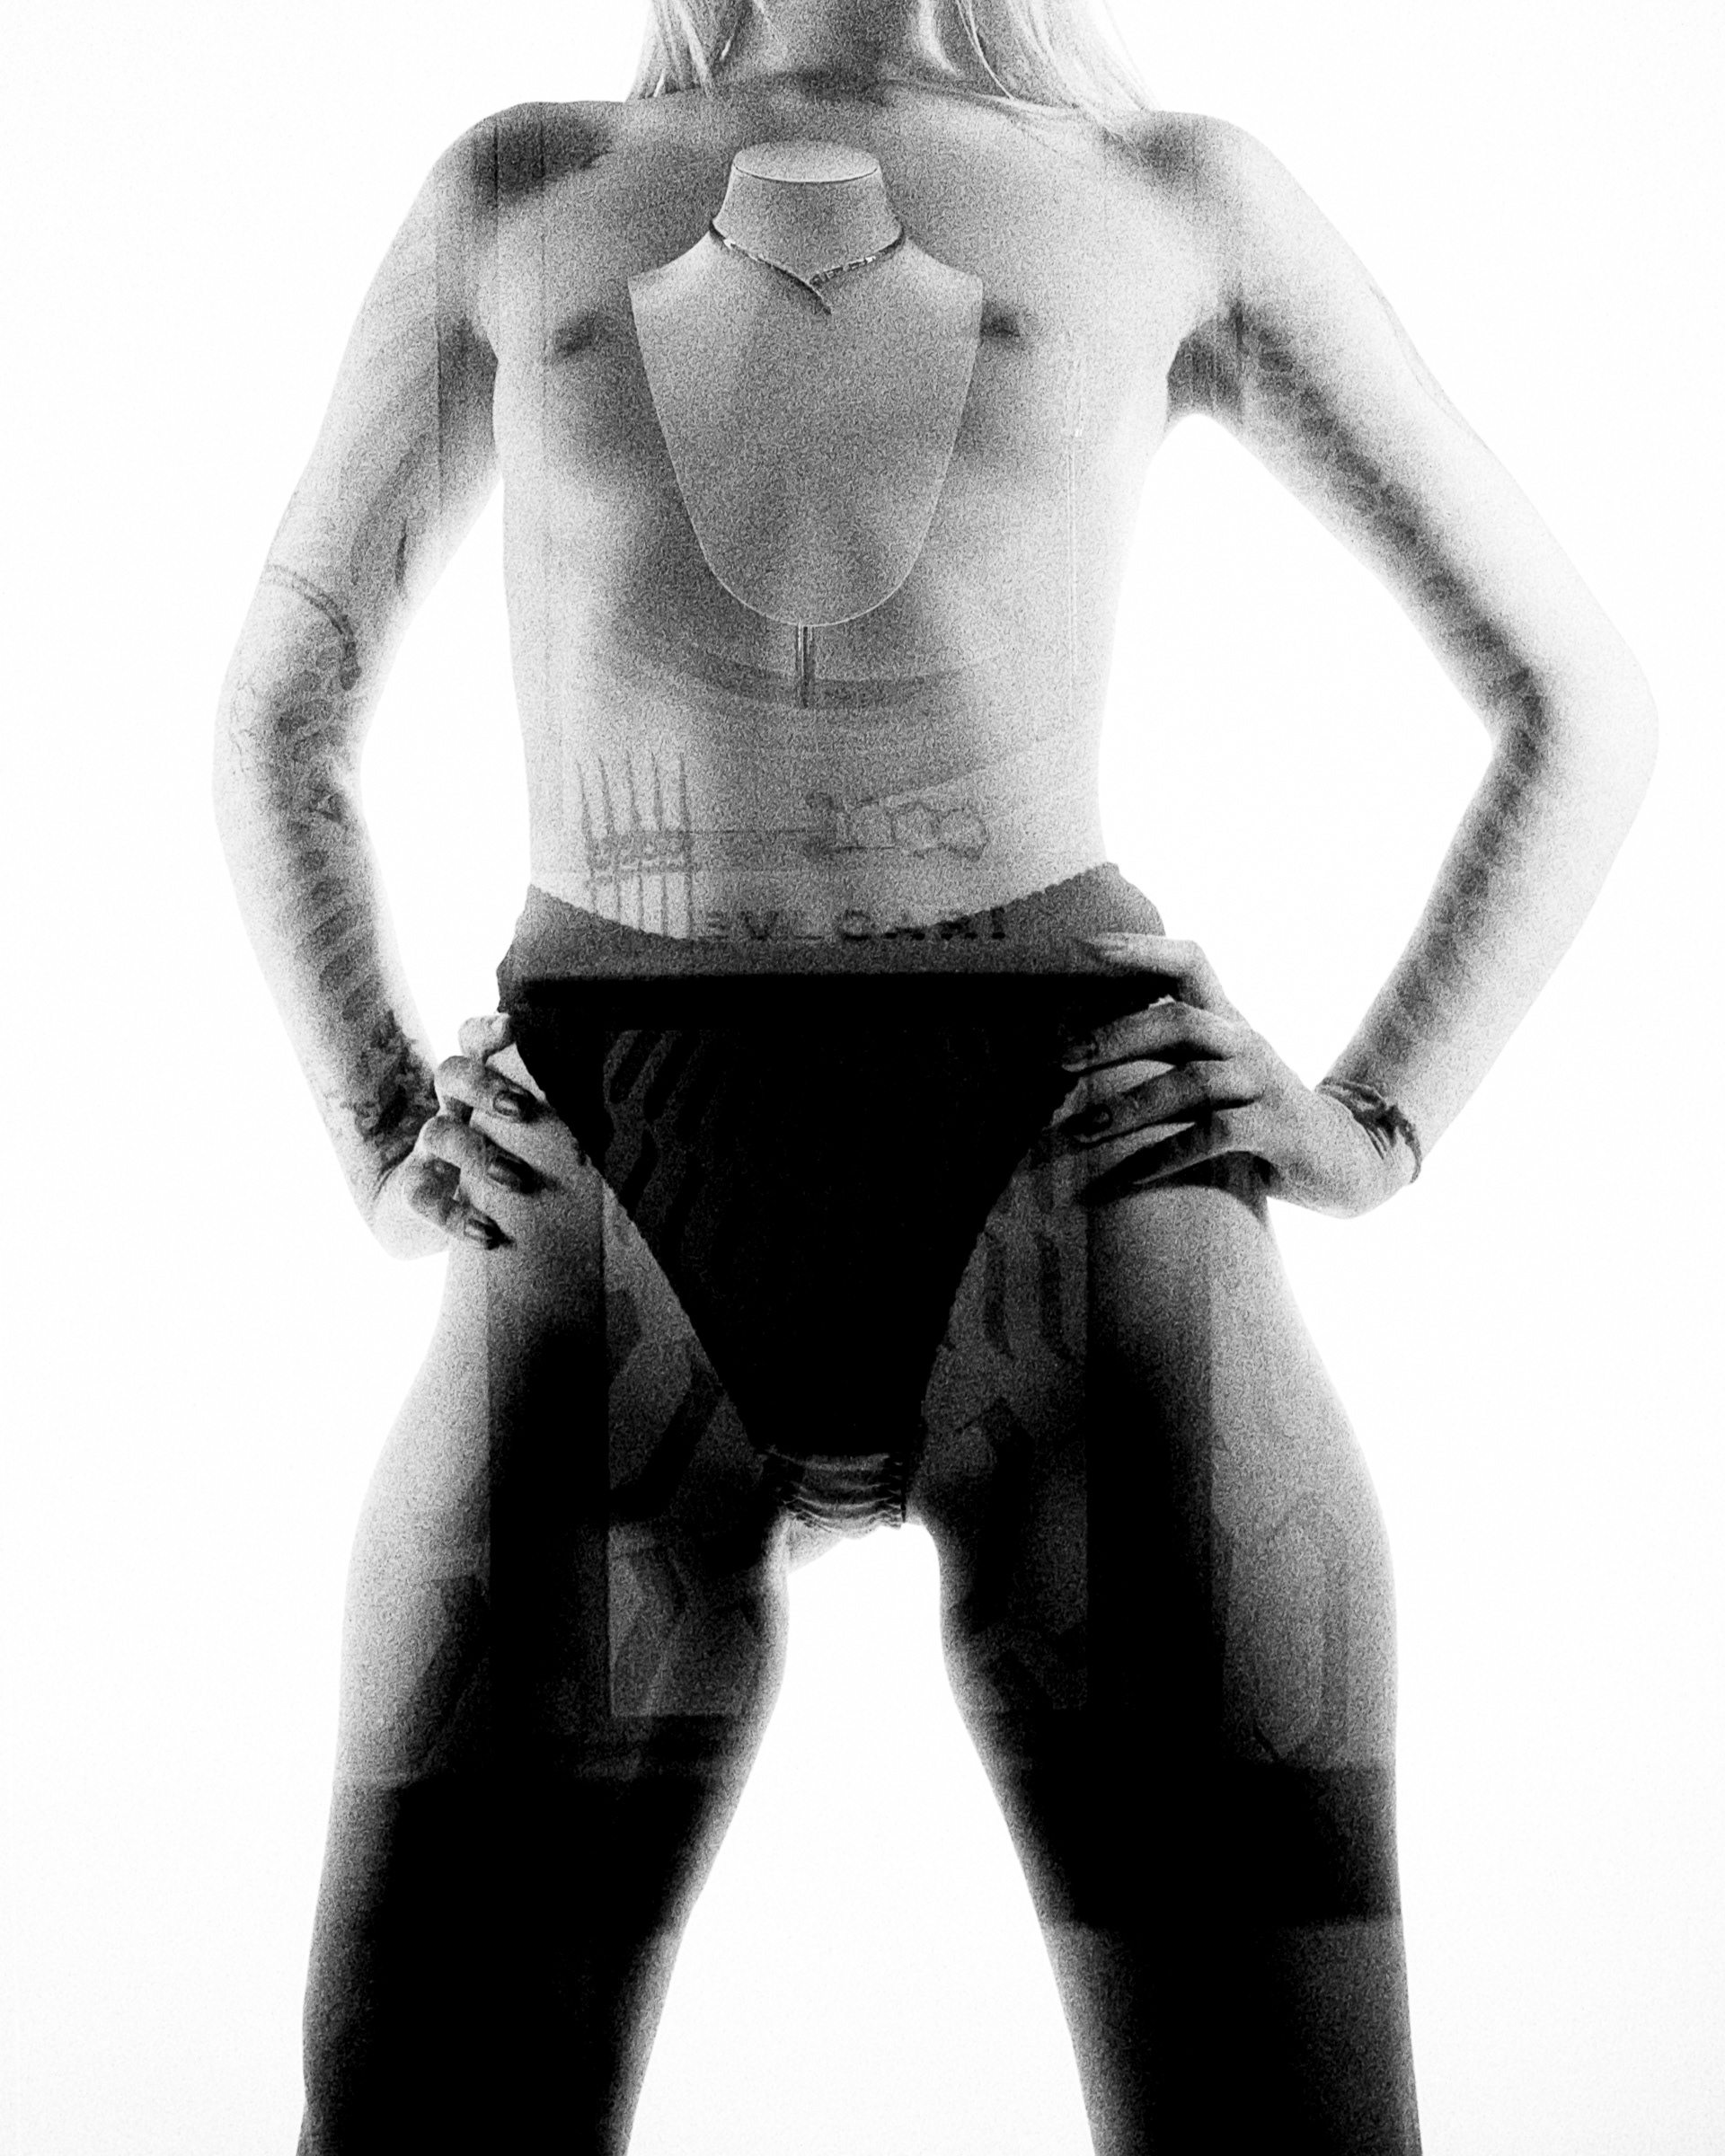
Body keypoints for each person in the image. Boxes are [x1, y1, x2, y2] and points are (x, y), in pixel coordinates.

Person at [213, 0, 1655, 2148]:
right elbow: (280, 706)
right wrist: (371, 1118)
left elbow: (1580, 695)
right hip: (600, 1202)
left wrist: (1379, 1121)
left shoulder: (1176, 199)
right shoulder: (518, 194)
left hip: (1080, 1184)